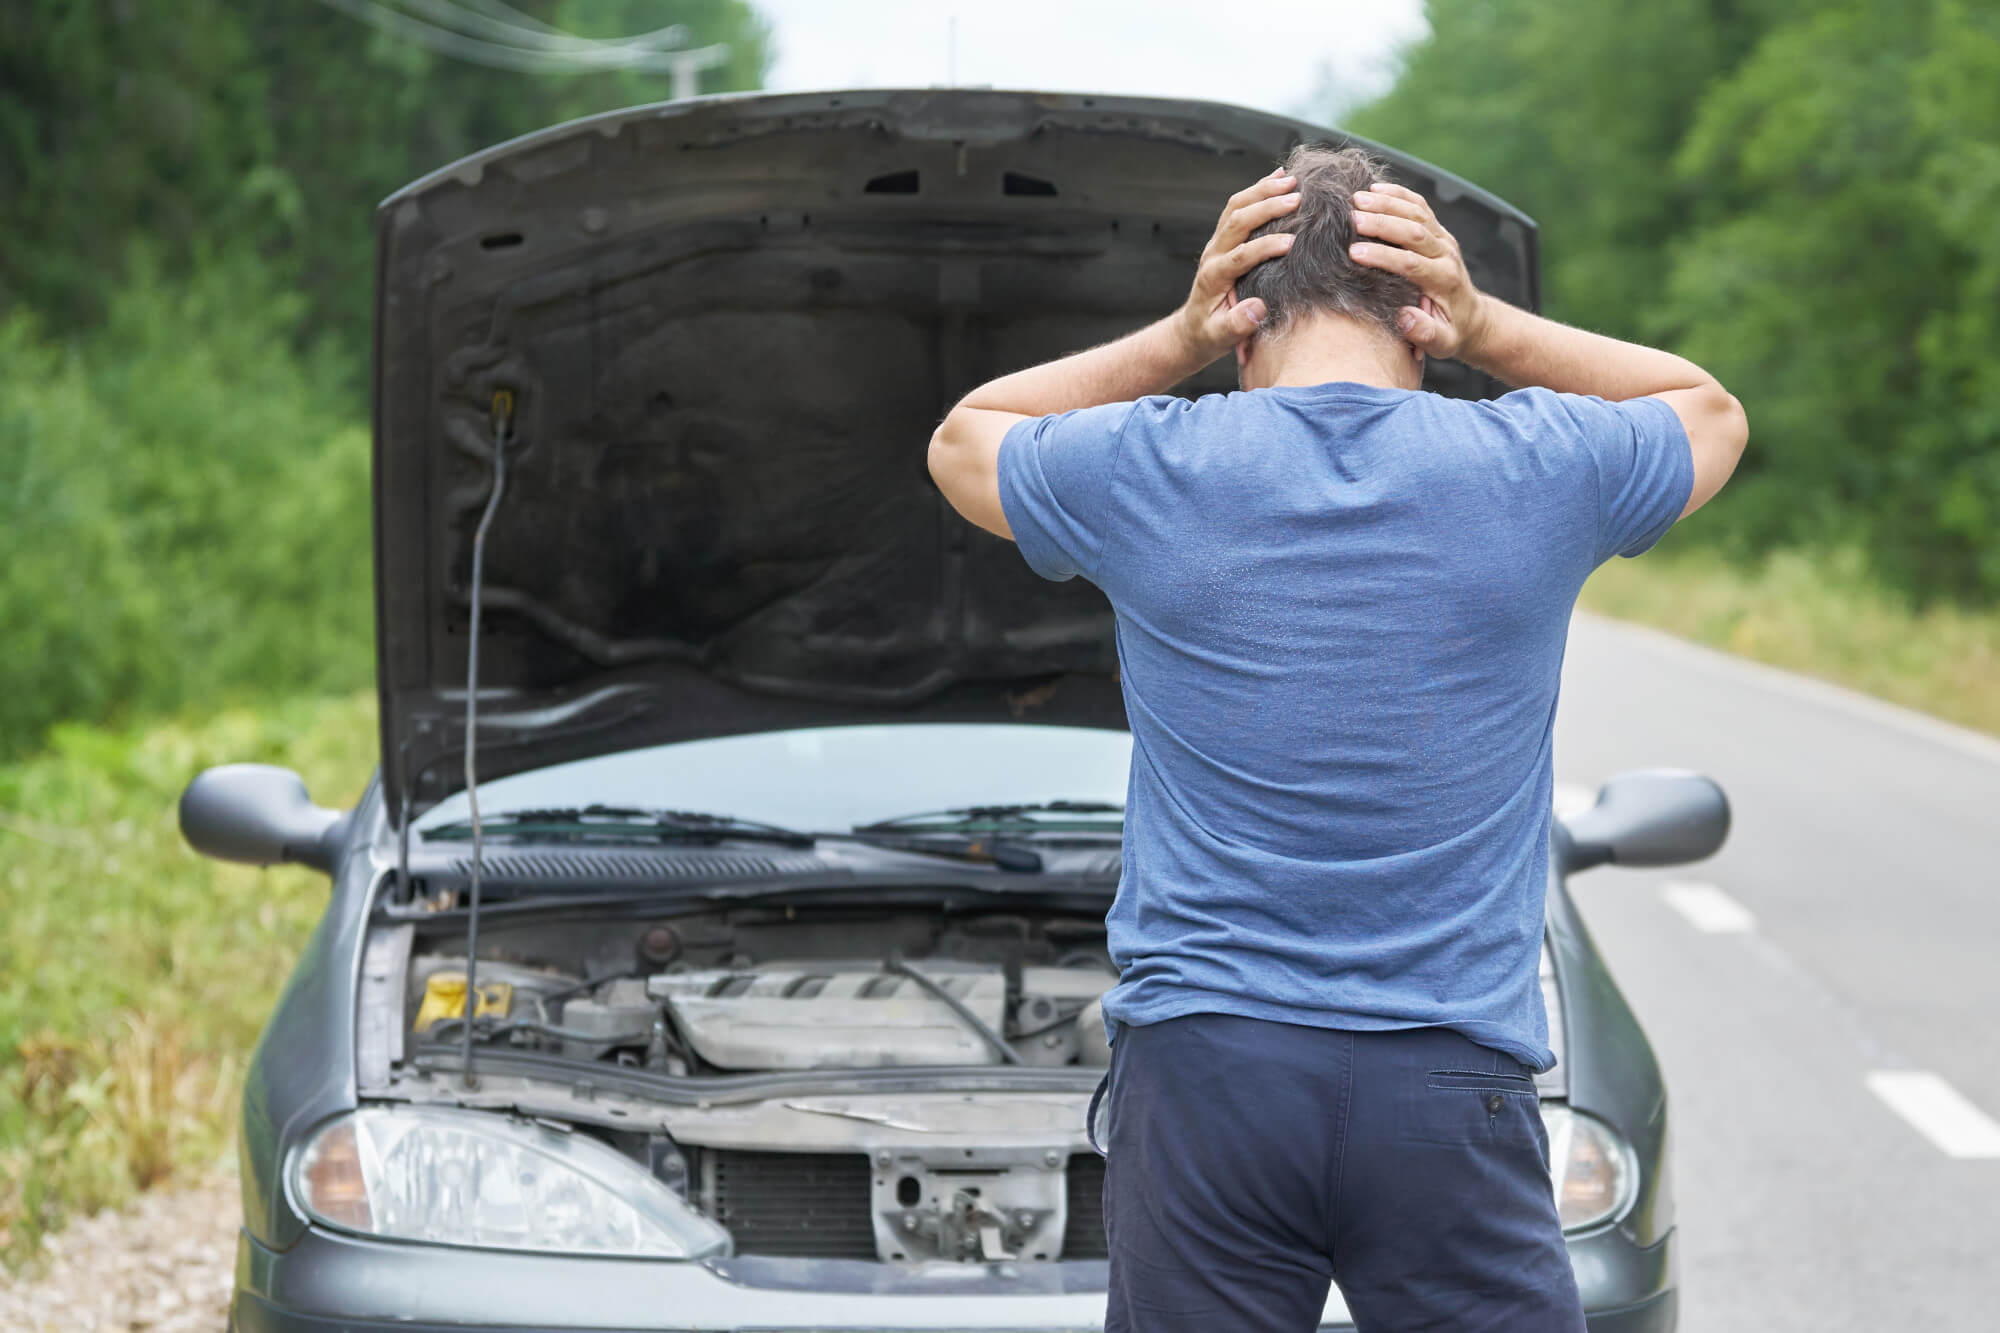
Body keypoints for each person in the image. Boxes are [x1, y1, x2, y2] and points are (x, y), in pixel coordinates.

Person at [926, 143, 1746, 1332]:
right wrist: (1486, 325)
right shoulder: (1533, 466)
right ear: (1413, 321)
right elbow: (1704, 412)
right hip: (1444, 1077)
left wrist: (1176, 338)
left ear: (1244, 318)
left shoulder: (1152, 463)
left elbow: (964, 438)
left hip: (1208, 1070)